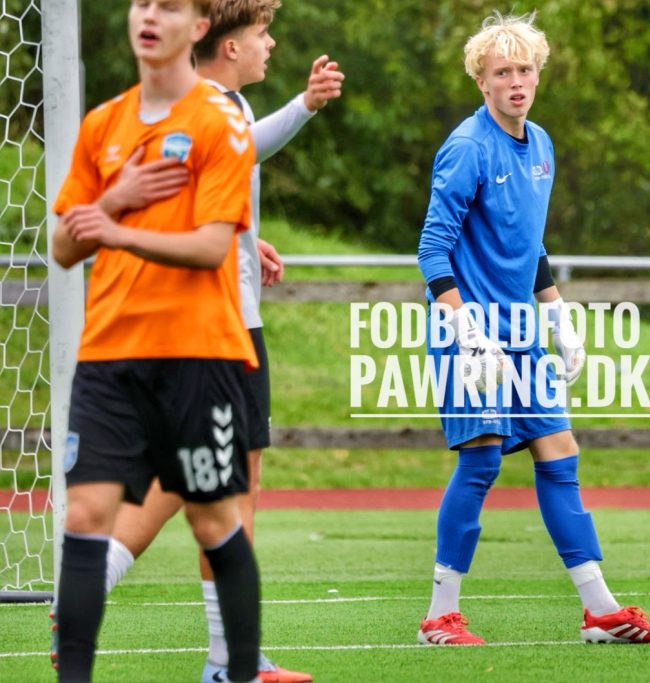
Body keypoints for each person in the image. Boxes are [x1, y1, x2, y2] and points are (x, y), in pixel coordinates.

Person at [67, 1, 344, 681]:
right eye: (261, 34)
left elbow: (207, 202)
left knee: (190, 485)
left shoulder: (208, 112)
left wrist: (252, 241)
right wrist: (306, 106)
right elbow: (240, 155)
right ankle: (227, 658)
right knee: (226, 490)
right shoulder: (216, 109)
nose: (269, 45)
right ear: (227, 47)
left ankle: (105, 595)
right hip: (223, 330)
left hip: (201, 323)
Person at [414, 11, 650, 646]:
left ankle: (600, 611)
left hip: (523, 333)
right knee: (480, 464)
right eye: (502, 71)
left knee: (560, 455)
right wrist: (467, 331)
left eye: (525, 70)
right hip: (469, 333)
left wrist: (558, 316)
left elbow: (528, 243)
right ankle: (438, 617)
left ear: (538, 75)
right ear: (481, 81)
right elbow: (432, 250)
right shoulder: (468, 147)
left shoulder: (542, 145)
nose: (516, 81)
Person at [49, 0, 261, 681]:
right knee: (86, 513)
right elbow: (62, 246)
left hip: (198, 356)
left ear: (197, 28)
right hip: (109, 356)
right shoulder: (102, 124)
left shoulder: (220, 121)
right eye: (142, 3)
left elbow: (209, 247)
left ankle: (238, 669)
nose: (149, 16)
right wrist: (114, 200)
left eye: (168, 7)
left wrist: (114, 229)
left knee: (212, 522)